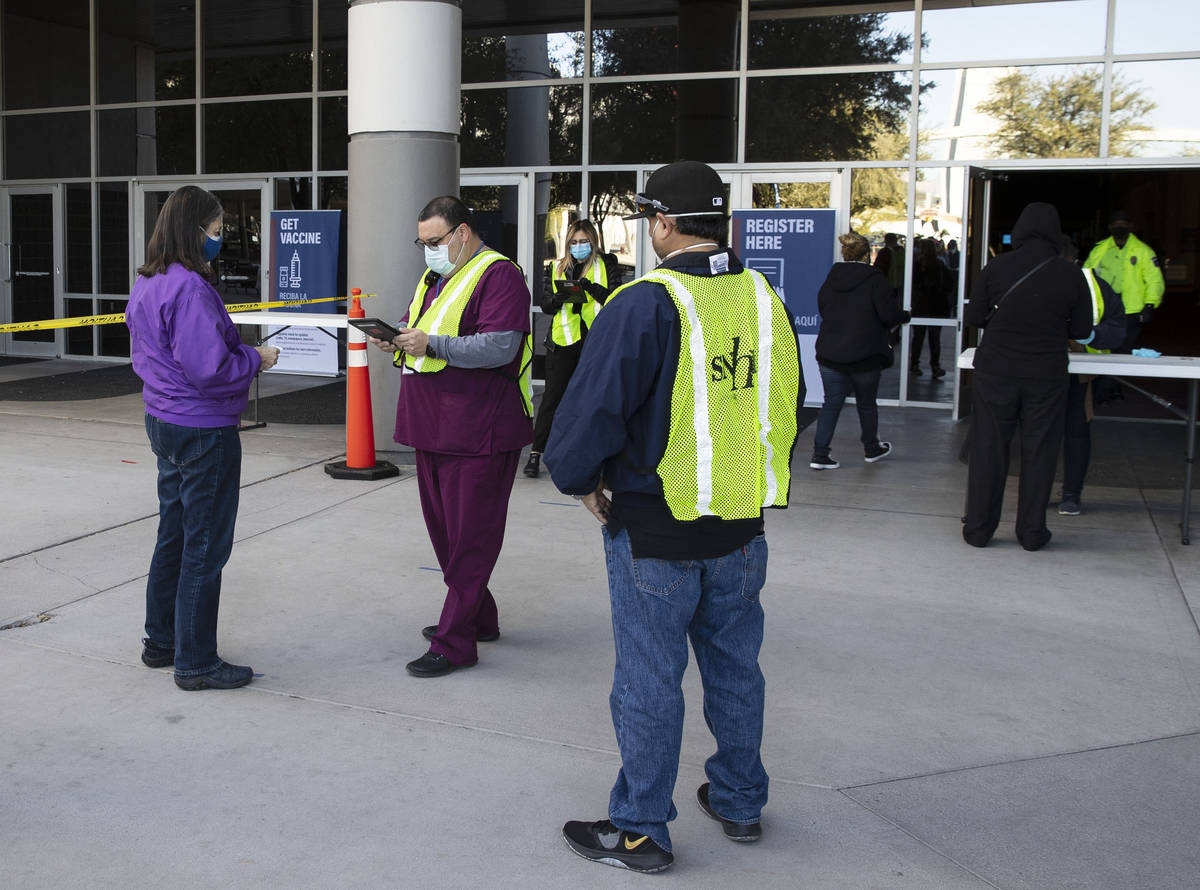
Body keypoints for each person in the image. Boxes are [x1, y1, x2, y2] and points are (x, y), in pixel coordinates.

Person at [544, 161, 802, 873]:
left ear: (661, 223)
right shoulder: (761, 297)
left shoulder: (647, 301)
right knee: (734, 670)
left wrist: (578, 479)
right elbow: (788, 402)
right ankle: (740, 799)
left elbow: (592, 410)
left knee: (649, 680)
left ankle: (639, 830)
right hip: (742, 531)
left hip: (656, 532)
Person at [369, 196, 533, 678]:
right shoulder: (435, 279)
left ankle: (455, 639)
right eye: (422, 243)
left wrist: (430, 343)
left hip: (479, 427)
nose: (428, 252)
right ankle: (478, 616)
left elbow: (502, 345)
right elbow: (419, 328)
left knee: (470, 538)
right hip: (433, 423)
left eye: (435, 241)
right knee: (447, 534)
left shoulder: (500, 274)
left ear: (462, 232)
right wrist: (396, 336)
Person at [125, 185, 279, 691]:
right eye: (215, 232)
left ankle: (162, 641)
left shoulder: (149, 281)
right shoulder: (190, 287)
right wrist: (256, 358)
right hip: (202, 427)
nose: (219, 240)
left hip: (165, 420)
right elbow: (210, 368)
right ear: (195, 231)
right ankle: (196, 661)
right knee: (204, 544)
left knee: (174, 533)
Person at [963, 202, 1092, 551]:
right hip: (1045, 375)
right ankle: (1032, 533)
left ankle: (978, 529)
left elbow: (974, 317)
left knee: (989, 449)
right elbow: (1082, 329)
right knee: (1040, 452)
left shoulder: (997, 266)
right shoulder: (1070, 273)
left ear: (1019, 229)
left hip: (996, 372)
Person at [523, 219, 618, 478]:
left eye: (584, 242)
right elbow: (545, 304)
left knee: (594, 400)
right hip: (563, 341)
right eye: (574, 242)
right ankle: (535, 454)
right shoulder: (556, 266)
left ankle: (592, 457)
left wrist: (591, 288)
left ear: (593, 242)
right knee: (552, 400)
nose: (578, 247)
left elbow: (615, 298)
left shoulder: (606, 264)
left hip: (596, 341)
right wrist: (557, 298)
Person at [810, 231, 909, 470]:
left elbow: (823, 308)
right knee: (866, 403)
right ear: (868, 255)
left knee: (831, 403)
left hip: (830, 353)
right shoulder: (876, 281)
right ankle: (871, 448)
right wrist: (905, 315)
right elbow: (888, 315)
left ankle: (820, 454)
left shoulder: (831, 279)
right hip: (866, 354)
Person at [1059, 237, 1128, 516]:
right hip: (1040, 370)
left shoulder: (1093, 284)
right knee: (1043, 433)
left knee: (1075, 430)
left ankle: (1071, 495)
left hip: (1078, 372)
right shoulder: (1033, 278)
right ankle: (1045, 494)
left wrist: (1092, 336)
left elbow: (1117, 326)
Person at [1083, 209, 1165, 354]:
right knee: (1102, 348)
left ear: (1130, 226)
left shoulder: (1143, 251)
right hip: (1105, 309)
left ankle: (1114, 376)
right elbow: (1087, 277)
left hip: (1131, 311)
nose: (1119, 227)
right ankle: (1104, 376)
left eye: (1123, 224)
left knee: (1123, 349)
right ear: (1109, 227)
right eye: (1116, 224)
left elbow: (1154, 280)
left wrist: (1150, 304)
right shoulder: (1099, 250)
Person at [909, 237, 952, 378]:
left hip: (921, 306)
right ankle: (935, 366)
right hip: (936, 307)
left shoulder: (917, 265)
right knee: (934, 339)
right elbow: (949, 285)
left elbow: (914, 285)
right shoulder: (940, 264)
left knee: (918, 338)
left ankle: (914, 364)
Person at [873, 231, 905, 297]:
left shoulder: (885, 252)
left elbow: (878, 268)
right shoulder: (903, 251)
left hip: (888, 284)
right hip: (903, 284)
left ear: (886, 240)